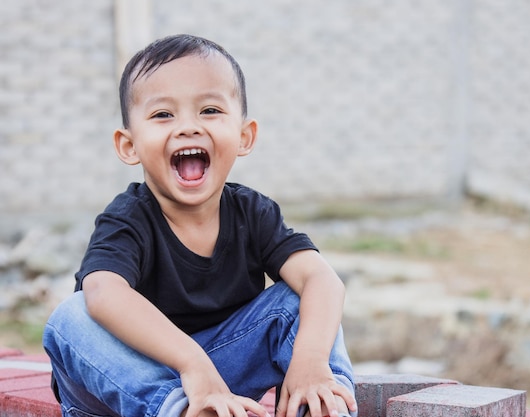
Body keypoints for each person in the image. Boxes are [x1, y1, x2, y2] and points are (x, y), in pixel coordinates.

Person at [42, 34, 358, 417]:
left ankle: (322, 401)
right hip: (123, 385)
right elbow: (104, 292)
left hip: (221, 379)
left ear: (244, 136)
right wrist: (192, 364)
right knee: (71, 317)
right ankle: (181, 411)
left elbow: (322, 280)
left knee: (298, 299)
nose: (188, 127)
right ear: (129, 146)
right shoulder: (128, 218)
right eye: (163, 115)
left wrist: (308, 359)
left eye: (209, 110)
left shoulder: (253, 212)